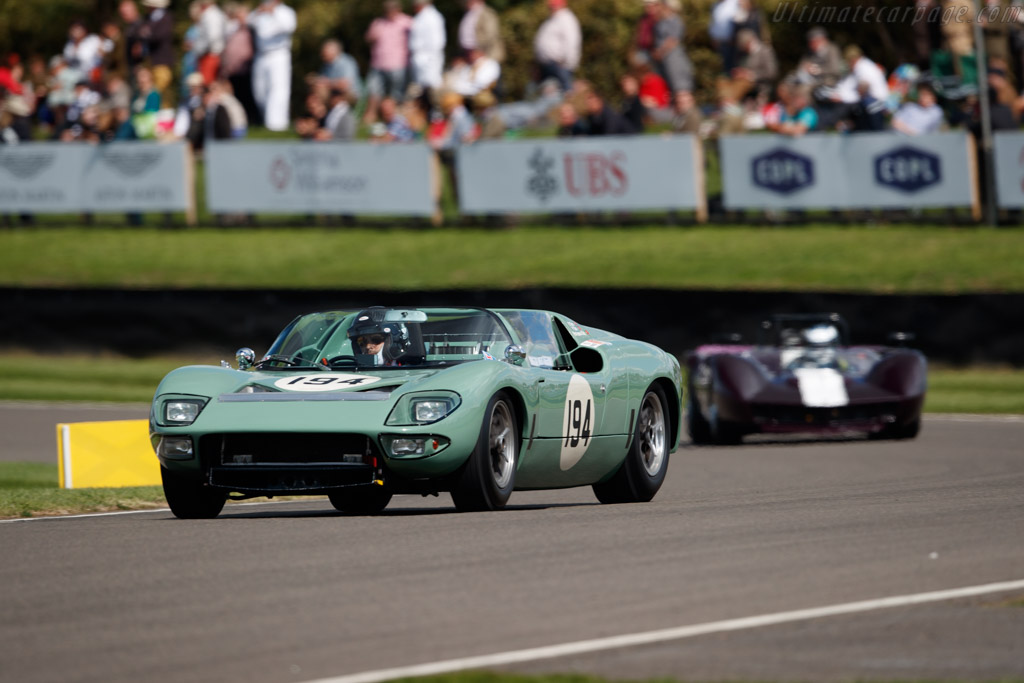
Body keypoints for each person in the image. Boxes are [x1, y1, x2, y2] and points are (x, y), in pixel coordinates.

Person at [248, 0, 296, 132]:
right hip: (261, 55)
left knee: (278, 90)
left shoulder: (286, 12)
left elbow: (289, 27)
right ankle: (266, 120)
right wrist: (260, 11)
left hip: (278, 54)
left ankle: (277, 124)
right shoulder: (261, 11)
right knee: (260, 91)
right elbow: (249, 21)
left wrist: (273, 12)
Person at [364, 1, 413, 124]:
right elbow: (368, 38)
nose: (390, 12)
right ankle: (371, 116)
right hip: (378, 64)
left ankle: (395, 117)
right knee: (374, 91)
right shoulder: (378, 23)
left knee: (396, 94)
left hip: (398, 64)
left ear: (398, 9)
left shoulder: (407, 22)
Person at [534, 0, 582, 93]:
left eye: (555, 4)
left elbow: (571, 42)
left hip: (560, 66)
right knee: (548, 95)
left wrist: (566, 64)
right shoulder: (553, 19)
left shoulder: (566, 19)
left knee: (564, 94)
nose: (552, 7)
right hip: (549, 66)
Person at [652, 0, 694, 95]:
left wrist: (660, 51)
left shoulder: (675, 21)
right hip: (662, 58)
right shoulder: (660, 22)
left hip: (672, 56)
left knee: (678, 83)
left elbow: (673, 40)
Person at [409, 0, 447, 95]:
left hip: (429, 57)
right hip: (420, 57)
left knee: (432, 86)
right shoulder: (420, 17)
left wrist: (429, 59)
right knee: (421, 88)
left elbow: (437, 42)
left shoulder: (433, 17)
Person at [140, 0, 175, 101]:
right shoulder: (148, 18)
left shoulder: (166, 18)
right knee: (150, 90)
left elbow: (159, 36)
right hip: (150, 60)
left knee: (160, 90)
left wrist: (147, 35)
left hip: (162, 61)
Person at [459, 0, 505, 65]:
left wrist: (479, 50)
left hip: (485, 53)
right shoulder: (469, 13)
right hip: (470, 53)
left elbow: (491, 35)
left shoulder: (487, 13)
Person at [195, 0, 228, 85]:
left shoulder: (211, 15)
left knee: (207, 84)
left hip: (209, 54)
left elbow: (212, 36)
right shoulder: (213, 14)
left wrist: (200, 50)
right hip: (209, 54)